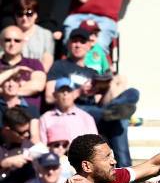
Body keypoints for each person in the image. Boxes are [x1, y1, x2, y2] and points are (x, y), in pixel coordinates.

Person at [46, 27, 138, 166]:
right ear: (69, 44)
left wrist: (105, 88)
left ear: (89, 46)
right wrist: (79, 92)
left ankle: (114, 110)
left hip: (97, 110)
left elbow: (100, 101)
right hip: (75, 109)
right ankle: (126, 167)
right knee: (120, 119)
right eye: (74, 41)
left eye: (82, 42)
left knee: (133, 92)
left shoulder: (93, 72)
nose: (77, 45)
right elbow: (49, 97)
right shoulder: (59, 66)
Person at [39, 77, 98, 147]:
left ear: (74, 94)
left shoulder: (86, 118)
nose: (65, 93)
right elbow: (43, 147)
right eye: (61, 91)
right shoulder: (45, 118)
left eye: (69, 91)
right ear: (55, 95)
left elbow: (95, 146)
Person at [0, 25, 46, 110]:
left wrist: (5, 90)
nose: (12, 44)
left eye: (17, 40)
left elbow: (38, 86)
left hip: (28, 117)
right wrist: (13, 71)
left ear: (23, 43)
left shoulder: (34, 64)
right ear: (1, 42)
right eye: (7, 40)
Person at [0, 107, 36, 183]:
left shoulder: (30, 148)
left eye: (28, 131)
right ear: (7, 130)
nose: (26, 135)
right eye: (22, 132)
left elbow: (35, 180)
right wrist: (3, 164)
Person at [14, 0, 55, 72]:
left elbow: (47, 63)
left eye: (29, 14)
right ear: (15, 16)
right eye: (20, 14)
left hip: (37, 77)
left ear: (36, 15)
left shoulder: (46, 35)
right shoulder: (9, 35)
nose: (24, 18)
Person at [0, 70, 40, 138]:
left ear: (20, 84)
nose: (11, 84)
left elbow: (34, 136)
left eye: (15, 80)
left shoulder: (31, 109)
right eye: (7, 81)